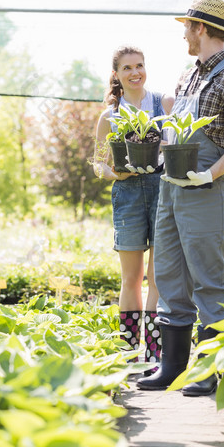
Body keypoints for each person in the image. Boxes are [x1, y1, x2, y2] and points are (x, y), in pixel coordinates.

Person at [137, 0, 224, 394]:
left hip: (205, 189)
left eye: (187, 27)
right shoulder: (189, 74)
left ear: (201, 28)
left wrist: (207, 175)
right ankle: (173, 367)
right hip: (171, 187)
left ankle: (208, 371)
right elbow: (175, 130)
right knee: (168, 272)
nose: (184, 34)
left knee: (208, 278)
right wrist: (149, 157)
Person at [94, 45, 174, 373]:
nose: (134, 72)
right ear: (117, 74)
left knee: (157, 278)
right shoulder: (109, 116)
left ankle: (154, 355)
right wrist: (118, 172)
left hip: (161, 191)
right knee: (131, 278)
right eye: (127, 68)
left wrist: (166, 148)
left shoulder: (163, 104)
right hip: (126, 194)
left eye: (139, 65)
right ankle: (129, 354)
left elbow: (176, 143)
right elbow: (98, 165)